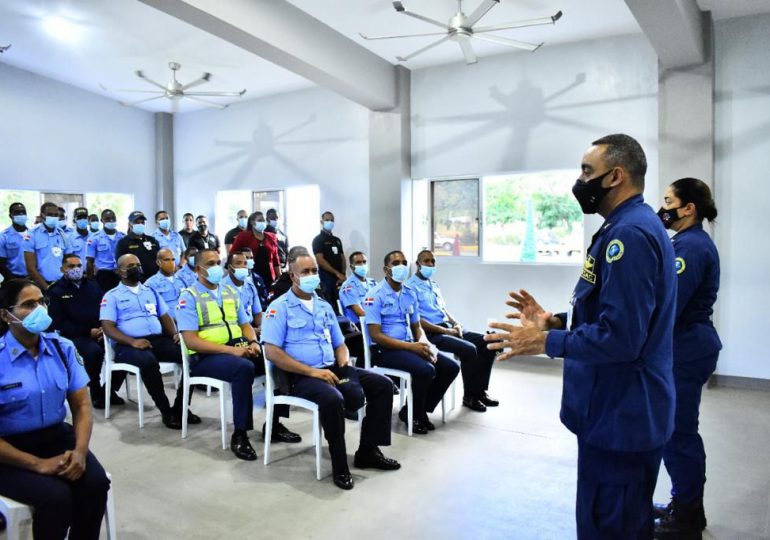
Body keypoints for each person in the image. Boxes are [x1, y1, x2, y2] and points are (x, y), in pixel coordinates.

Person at [485, 134, 676, 539]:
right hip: (614, 412)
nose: (580, 180)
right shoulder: (625, 227)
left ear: (616, 177)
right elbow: (610, 311)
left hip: (621, 416)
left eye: (588, 171)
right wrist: (553, 322)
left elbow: (622, 339)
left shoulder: (629, 237)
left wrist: (544, 343)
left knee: (609, 526)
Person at [262, 251, 401, 490]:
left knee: (382, 385)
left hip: (332, 368)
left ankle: (368, 450)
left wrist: (345, 364)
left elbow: (340, 343)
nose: (311, 275)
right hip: (300, 376)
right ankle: (340, 464)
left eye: (314, 270)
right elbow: (272, 352)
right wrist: (312, 373)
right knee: (333, 399)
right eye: (305, 271)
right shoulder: (279, 307)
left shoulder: (324, 305)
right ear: (292, 276)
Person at [0, 279, 110, 540]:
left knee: (95, 484)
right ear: (6, 315)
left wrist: (81, 451)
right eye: (28, 305)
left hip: (56, 436)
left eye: (42, 302)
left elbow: (82, 404)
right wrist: (37, 465)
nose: (39, 309)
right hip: (8, 451)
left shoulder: (62, 348)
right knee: (55, 498)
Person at [176, 249, 299, 460]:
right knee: (244, 369)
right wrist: (232, 351)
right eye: (211, 263)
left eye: (218, 262)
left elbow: (245, 324)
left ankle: (275, 423)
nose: (216, 267)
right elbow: (191, 340)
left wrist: (252, 342)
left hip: (237, 346)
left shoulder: (229, 292)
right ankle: (240, 434)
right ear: (198, 269)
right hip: (205, 357)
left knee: (278, 358)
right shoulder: (189, 297)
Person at [653, 178, 722, 539]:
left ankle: (689, 514)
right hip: (686, 347)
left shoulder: (691, 248)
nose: (663, 208)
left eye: (668, 201)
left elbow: (670, 307)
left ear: (688, 208)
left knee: (678, 432)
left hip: (687, 350)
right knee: (674, 430)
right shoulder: (684, 242)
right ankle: (684, 501)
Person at [364, 250, 459, 435]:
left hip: (409, 346)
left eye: (404, 262)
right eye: (396, 263)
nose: (401, 266)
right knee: (426, 370)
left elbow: (416, 326)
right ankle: (416, 416)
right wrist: (412, 347)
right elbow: (375, 335)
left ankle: (415, 409)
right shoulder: (375, 295)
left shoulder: (409, 293)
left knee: (450, 367)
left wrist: (424, 343)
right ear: (386, 269)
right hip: (385, 350)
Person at [100, 254, 195, 429]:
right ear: (119, 271)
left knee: (189, 356)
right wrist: (131, 342)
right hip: (127, 345)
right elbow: (107, 327)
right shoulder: (112, 296)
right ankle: (166, 411)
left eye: (138, 264)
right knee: (148, 362)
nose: (136, 268)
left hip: (156, 340)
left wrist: (174, 333)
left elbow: (164, 315)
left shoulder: (150, 291)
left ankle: (181, 407)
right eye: (130, 266)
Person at [405, 249, 498, 412]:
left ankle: (480, 391)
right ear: (418, 264)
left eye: (433, 261)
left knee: (490, 342)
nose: (430, 264)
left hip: (447, 327)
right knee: (469, 350)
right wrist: (446, 331)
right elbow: (416, 320)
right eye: (426, 261)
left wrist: (456, 324)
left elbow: (442, 310)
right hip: (431, 333)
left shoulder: (433, 284)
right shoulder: (410, 287)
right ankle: (470, 396)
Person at [47, 254, 124, 409]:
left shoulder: (93, 285)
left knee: (124, 351)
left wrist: (105, 327)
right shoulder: (55, 291)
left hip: (101, 332)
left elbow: (105, 307)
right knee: (93, 352)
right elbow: (58, 322)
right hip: (75, 336)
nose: (76, 269)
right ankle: (95, 389)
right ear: (62, 269)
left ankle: (109, 389)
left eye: (78, 266)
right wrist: (88, 332)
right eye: (71, 266)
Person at [338, 251, 377, 367]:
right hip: (359, 326)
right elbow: (359, 312)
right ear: (352, 266)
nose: (362, 265)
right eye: (358, 263)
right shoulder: (348, 287)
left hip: (374, 322)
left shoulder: (373, 283)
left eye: (364, 262)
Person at [23, 202, 72, 291]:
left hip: (62, 284)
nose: (53, 217)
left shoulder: (62, 234)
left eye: (56, 215)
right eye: (50, 214)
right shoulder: (32, 234)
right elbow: (31, 268)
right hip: (41, 285)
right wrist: (47, 288)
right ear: (42, 215)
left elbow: (69, 260)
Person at [230, 212, 281, 288]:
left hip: (269, 276)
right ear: (252, 222)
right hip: (250, 275)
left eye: (263, 220)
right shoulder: (243, 236)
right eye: (260, 220)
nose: (263, 222)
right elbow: (232, 255)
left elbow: (276, 260)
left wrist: (279, 277)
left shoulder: (272, 237)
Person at [312, 211, 345, 314]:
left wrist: (342, 274)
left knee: (341, 304)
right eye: (327, 220)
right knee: (330, 306)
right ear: (322, 222)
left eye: (331, 220)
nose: (329, 222)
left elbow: (342, 258)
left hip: (340, 279)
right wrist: (337, 273)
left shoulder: (337, 240)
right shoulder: (318, 240)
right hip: (326, 278)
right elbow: (320, 260)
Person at [86, 209, 124, 293]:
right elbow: (89, 262)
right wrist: (90, 282)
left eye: (113, 218)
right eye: (107, 218)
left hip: (121, 275)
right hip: (103, 276)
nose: (111, 220)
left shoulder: (123, 237)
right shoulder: (94, 238)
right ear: (101, 220)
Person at [223, 251, 262, 332]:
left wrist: (260, 328)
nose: (243, 266)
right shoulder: (222, 288)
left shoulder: (250, 284)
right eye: (238, 263)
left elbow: (257, 313)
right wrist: (251, 331)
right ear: (230, 268)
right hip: (234, 331)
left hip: (252, 328)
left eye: (245, 263)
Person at [116, 211, 160, 280]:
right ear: (130, 224)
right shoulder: (123, 243)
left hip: (155, 280)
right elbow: (121, 266)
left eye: (142, 222)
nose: (140, 224)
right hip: (136, 281)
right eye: (137, 222)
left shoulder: (152, 240)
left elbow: (159, 259)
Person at [145, 248, 185, 316]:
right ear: (158, 262)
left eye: (173, 260)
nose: (171, 263)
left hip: (186, 319)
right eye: (167, 260)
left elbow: (185, 302)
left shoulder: (181, 280)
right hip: (168, 322)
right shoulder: (151, 284)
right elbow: (152, 311)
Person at [0, 202, 30, 281]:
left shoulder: (33, 234)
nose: (21, 214)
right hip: (12, 279)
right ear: (10, 216)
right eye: (17, 212)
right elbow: (1, 264)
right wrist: (14, 280)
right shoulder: (3, 236)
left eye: (23, 212)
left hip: (33, 278)